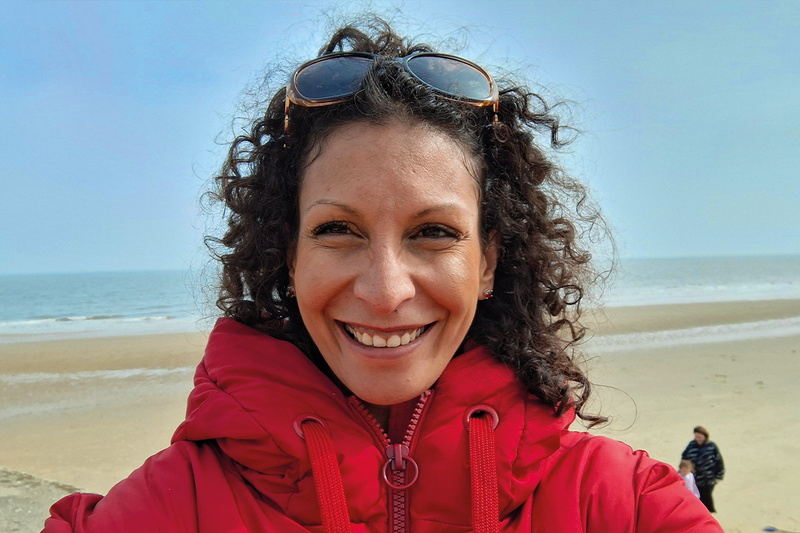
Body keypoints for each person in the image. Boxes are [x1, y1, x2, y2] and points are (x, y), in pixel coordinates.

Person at [43, 18, 722, 532]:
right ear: (289, 255)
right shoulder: (173, 508)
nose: (386, 289)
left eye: (434, 232)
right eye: (338, 230)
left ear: (487, 260)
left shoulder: (624, 505)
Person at [682, 426, 725, 513]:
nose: (698, 439)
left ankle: (706, 515)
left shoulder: (711, 446)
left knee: (706, 499)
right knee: (695, 499)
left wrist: (719, 476)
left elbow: (719, 461)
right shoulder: (691, 445)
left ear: (705, 436)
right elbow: (684, 459)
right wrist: (683, 472)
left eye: (700, 437)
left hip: (708, 479)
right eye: (696, 437)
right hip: (694, 479)